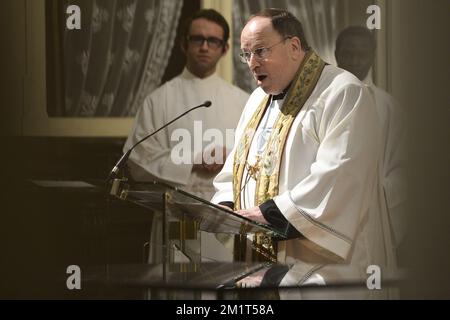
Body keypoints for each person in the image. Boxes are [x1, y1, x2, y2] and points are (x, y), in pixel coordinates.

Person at [212, 8, 397, 272]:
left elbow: (341, 176)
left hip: (320, 266)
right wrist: (225, 207)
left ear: (294, 47)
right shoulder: (256, 100)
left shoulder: (342, 92)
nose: (252, 63)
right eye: (246, 54)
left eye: (261, 51)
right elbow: (236, 169)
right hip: (259, 260)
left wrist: (268, 213)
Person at [124, 9, 249, 263]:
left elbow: (256, 158)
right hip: (179, 215)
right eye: (197, 39)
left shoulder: (243, 102)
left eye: (212, 41)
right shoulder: (159, 100)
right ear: (184, 43)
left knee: (222, 290)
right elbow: (137, 159)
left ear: (224, 49)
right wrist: (193, 161)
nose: (204, 47)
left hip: (225, 216)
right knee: (183, 290)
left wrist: (230, 158)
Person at [335, 26, 406, 254]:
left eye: (362, 53)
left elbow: (402, 168)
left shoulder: (388, 107)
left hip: (374, 216)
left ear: (373, 55)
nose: (355, 60)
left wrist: (379, 192)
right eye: (348, 53)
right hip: (332, 212)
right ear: (336, 54)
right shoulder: (321, 102)